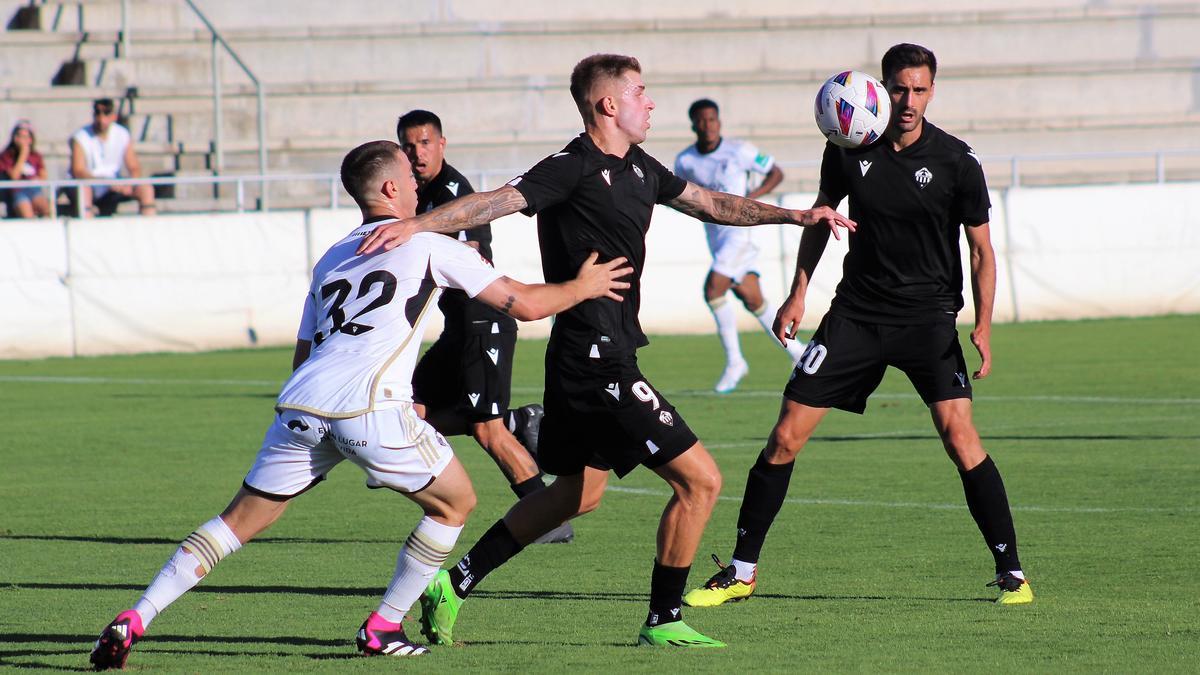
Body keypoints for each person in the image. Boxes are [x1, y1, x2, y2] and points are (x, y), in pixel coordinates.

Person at [357, 53, 855, 648]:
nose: (651, 103)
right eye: (641, 92)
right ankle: (663, 620)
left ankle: (452, 583)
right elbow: (494, 201)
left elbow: (715, 204)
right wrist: (418, 226)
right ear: (608, 104)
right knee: (700, 482)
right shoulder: (570, 166)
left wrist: (797, 215)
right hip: (594, 359)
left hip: (596, 354)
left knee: (577, 493)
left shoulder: (641, 166)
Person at [87, 140, 632, 670]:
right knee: (454, 503)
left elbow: (305, 350)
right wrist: (584, 285)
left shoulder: (332, 257)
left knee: (234, 523)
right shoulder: (426, 242)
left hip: (302, 404)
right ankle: (383, 627)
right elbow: (527, 305)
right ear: (392, 187)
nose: (420, 187)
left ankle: (137, 616)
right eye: (411, 179)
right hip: (370, 406)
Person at [682, 43, 1033, 611]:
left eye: (920, 90)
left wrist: (984, 324)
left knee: (961, 440)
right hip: (855, 316)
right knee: (784, 436)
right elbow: (820, 220)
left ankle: (1012, 573)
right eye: (899, 89)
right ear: (881, 88)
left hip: (927, 320)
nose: (909, 101)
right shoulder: (847, 147)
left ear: (932, 91)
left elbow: (982, 250)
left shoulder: (957, 161)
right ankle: (742, 571)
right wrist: (797, 293)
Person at [398, 109, 572, 544]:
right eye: (408, 145)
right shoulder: (419, 193)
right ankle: (518, 421)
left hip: (484, 324)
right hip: (457, 329)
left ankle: (547, 517)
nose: (416, 153)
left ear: (441, 144)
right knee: (407, 408)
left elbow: (459, 260)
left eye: (424, 143)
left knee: (485, 430)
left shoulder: (454, 195)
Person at [674, 99, 805, 392]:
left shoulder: (739, 150)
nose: (708, 125)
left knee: (713, 289)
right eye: (702, 120)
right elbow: (682, 194)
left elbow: (776, 171)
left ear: (719, 122)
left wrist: (751, 199)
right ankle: (798, 352)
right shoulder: (686, 161)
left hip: (742, 233)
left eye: (712, 119)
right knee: (752, 298)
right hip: (717, 236)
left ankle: (735, 361)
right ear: (693, 125)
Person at [68, 98, 156, 217]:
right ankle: (86, 229)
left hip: (114, 185)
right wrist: (104, 183)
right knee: (84, 191)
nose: (101, 118)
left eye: (106, 113)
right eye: (98, 113)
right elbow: (78, 171)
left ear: (113, 116)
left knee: (146, 189)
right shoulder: (80, 137)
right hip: (91, 184)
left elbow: (134, 167)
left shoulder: (122, 134)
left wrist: (129, 185)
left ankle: (149, 228)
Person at [0, 119, 50, 218]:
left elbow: (43, 175)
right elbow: (14, 176)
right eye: (19, 136)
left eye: (25, 137)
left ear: (31, 139)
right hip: (17, 191)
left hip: (34, 190)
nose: (22, 140)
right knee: (27, 214)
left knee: (47, 209)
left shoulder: (36, 156)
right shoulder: (7, 156)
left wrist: (36, 179)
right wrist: (23, 154)